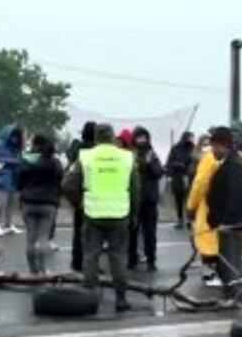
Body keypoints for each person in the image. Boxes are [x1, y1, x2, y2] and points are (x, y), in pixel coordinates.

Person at [62, 123, 136, 312]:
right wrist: (133, 212)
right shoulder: (127, 157)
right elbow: (135, 189)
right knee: (118, 257)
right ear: (112, 137)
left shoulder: (86, 157)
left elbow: (68, 184)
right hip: (120, 212)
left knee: (91, 255)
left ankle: (90, 298)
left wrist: (79, 203)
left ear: (95, 137)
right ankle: (121, 299)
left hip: (93, 212)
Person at [205, 126, 242, 295]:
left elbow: (234, 196)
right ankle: (233, 293)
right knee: (229, 260)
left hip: (233, 224)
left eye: (214, 146)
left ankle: (234, 295)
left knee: (231, 261)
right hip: (230, 223)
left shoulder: (234, 165)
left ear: (223, 145)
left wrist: (225, 221)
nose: (212, 150)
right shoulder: (230, 162)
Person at [18, 133, 63, 276]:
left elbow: (19, 182)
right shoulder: (54, 162)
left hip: (28, 202)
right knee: (43, 238)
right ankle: (43, 270)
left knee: (30, 238)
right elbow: (60, 179)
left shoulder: (26, 161)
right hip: (48, 203)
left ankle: (33, 271)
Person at [128, 126, 164, 272]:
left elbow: (159, 172)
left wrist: (149, 163)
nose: (142, 140)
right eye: (139, 137)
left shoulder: (152, 154)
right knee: (132, 232)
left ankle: (151, 260)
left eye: (144, 137)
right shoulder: (130, 155)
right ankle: (131, 259)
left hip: (149, 199)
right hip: (134, 199)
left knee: (150, 232)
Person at [66, 121, 97, 272]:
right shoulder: (95, 153)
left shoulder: (76, 151)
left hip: (79, 196)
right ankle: (90, 265)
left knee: (78, 231)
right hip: (93, 196)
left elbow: (69, 179)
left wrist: (75, 200)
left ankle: (76, 261)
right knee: (93, 235)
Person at [0, 124, 24, 234]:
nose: (15, 138)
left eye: (16, 136)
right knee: (1, 205)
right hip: (1, 180)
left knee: (11, 205)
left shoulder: (16, 148)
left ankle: (9, 224)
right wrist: (13, 162)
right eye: (13, 135)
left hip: (14, 180)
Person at [166, 132, 195, 229]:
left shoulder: (192, 148)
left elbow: (194, 161)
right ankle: (180, 219)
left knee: (189, 199)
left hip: (190, 177)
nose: (191, 140)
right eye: (190, 138)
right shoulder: (176, 148)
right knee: (179, 199)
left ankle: (189, 219)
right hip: (178, 176)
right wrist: (170, 175)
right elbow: (169, 163)